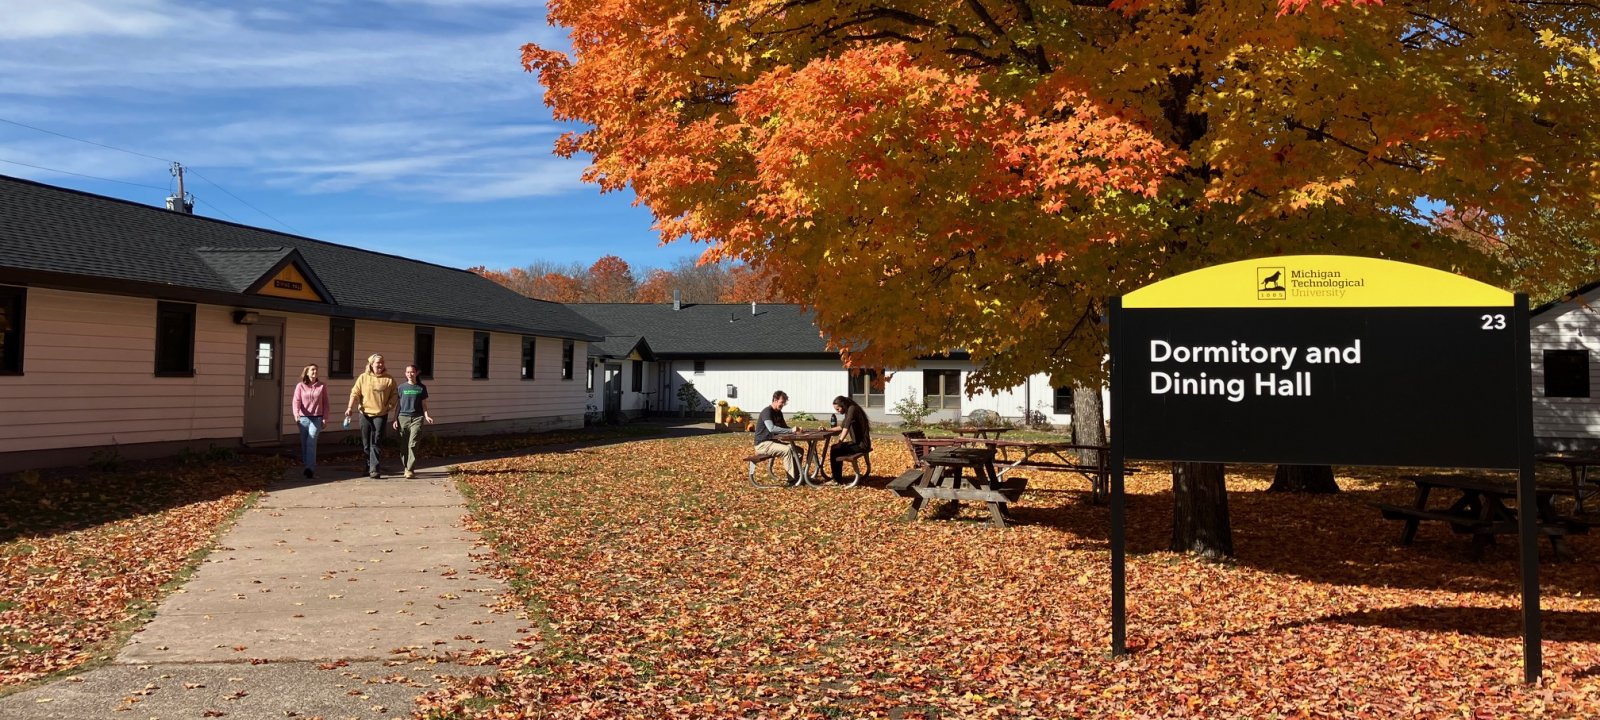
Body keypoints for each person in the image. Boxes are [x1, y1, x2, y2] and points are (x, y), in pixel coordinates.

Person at [344, 353, 398, 478]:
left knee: (376, 440)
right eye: (377, 362)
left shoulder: (389, 379)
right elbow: (355, 393)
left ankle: (375, 469)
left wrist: (389, 406)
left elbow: (394, 395)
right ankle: (368, 466)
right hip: (365, 413)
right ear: (371, 364)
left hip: (380, 414)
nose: (380, 364)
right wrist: (349, 408)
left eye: (382, 362)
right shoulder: (363, 377)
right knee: (366, 443)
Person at [393, 364, 434, 479]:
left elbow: (424, 404)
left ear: (416, 373)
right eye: (407, 372)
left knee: (413, 443)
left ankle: (410, 469)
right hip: (403, 418)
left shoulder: (421, 388)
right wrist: (395, 419)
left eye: (412, 372)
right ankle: (406, 467)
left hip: (417, 418)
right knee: (403, 445)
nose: (410, 374)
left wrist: (427, 416)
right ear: (405, 374)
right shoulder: (401, 388)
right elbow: (398, 405)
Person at [754, 390, 803, 481]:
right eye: (782, 402)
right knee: (787, 450)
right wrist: (790, 430)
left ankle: (797, 476)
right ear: (775, 400)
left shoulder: (779, 413)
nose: (783, 405)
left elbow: (784, 427)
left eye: (784, 403)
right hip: (762, 444)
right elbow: (771, 428)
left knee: (799, 451)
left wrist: (796, 430)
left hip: (773, 442)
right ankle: (792, 480)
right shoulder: (767, 411)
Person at [292, 364, 328, 479]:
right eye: (312, 370)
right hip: (303, 418)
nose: (315, 372)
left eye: (316, 370)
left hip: (317, 418)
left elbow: (326, 403)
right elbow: (296, 401)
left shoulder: (322, 386)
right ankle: (307, 465)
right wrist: (296, 415)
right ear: (307, 372)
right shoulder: (300, 386)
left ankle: (310, 468)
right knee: (304, 443)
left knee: (311, 441)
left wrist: (325, 418)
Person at [829, 395, 873, 480]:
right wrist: (826, 429)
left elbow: (846, 428)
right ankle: (836, 478)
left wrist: (840, 442)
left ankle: (836, 479)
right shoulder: (849, 410)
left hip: (862, 445)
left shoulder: (852, 410)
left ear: (843, 405)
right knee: (834, 448)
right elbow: (841, 427)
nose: (838, 411)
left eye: (838, 409)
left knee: (835, 450)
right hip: (857, 443)